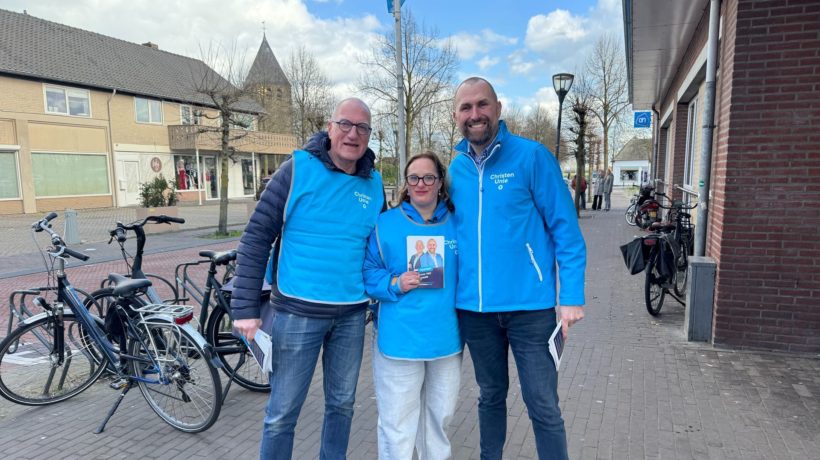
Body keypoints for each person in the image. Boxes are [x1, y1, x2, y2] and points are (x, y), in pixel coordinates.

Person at [231, 97, 385, 460]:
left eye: (362, 128)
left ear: (369, 136)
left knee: (343, 406)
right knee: (282, 413)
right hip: (297, 314)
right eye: (345, 124)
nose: (353, 134)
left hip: (351, 316)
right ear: (330, 128)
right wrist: (245, 308)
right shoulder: (296, 168)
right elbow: (256, 237)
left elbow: (382, 245)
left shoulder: (374, 183)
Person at [448, 77, 586, 460]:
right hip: (475, 312)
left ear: (498, 108)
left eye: (482, 105)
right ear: (456, 116)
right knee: (489, 396)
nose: (475, 114)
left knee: (542, 403)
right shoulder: (454, 170)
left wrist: (571, 296)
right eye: (465, 107)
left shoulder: (532, 156)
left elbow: (566, 230)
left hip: (531, 309)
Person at [363, 151, 462, 460]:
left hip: (447, 341)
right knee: (398, 425)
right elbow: (368, 271)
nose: (421, 183)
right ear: (406, 183)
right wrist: (394, 284)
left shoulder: (459, 223)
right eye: (414, 177)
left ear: (440, 183)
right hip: (400, 342)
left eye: (429, 177)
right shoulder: (385, 224)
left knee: (439, 420)